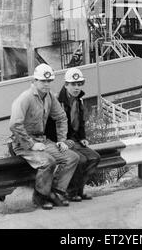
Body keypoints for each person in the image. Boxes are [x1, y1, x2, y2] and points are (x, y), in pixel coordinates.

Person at [9, 63, 79, 210]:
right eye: (43, 81)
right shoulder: (25, 98)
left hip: (42, 140)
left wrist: (61, 140)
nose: (47, 84)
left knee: (72, 157)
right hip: (23, 144)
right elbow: (15, 124)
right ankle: (40, 197)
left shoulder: (49, 97)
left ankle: (56, 192)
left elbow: (61, 117)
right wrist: (31, 144)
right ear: (35, 81)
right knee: (48, 161)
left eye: (49, 81)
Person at [58, 67, 101, 202]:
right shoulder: (58, 102)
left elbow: (80, 122)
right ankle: (71, 192)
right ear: (66, 85)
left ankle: (79, 190)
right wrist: (61, 141)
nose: (76, 88)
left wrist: (83, 138)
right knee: (80, 159)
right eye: (73, 84)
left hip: (75, 140)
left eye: (79, 84)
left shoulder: (79, 101)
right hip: (62, 141)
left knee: (94, 158)